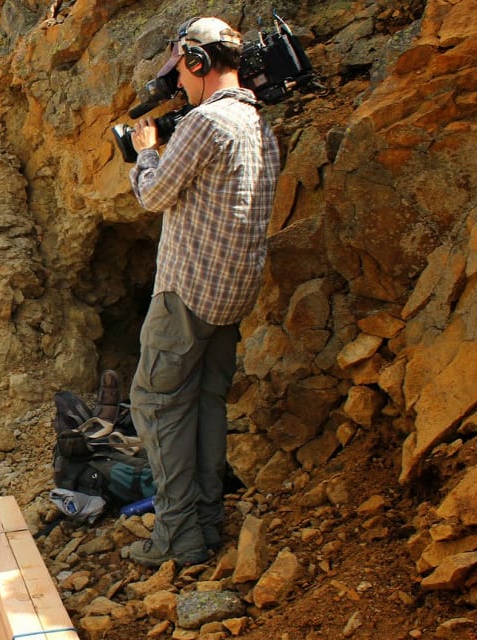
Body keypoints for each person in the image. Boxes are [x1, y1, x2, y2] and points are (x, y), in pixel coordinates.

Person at [123, 16, 280, 568]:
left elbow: (154, 194)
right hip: (232, 294)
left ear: (196, 62)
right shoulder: (259, 124)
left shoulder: (206, 123)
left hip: (187, 293)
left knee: (159, 406)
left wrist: (145, 149)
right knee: (206, 405)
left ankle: (177, 538)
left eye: (182, 75)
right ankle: (207, 522)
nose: (180, 88)